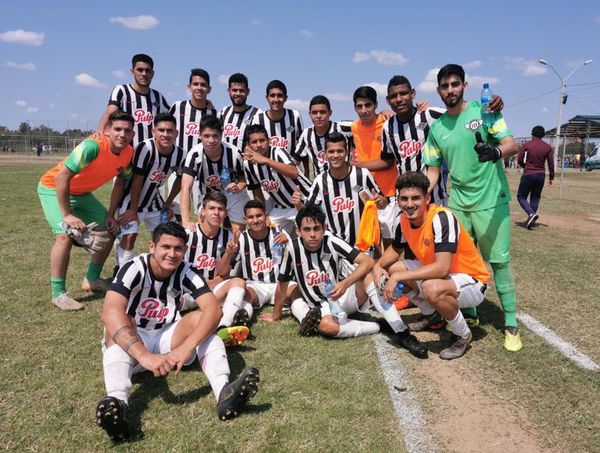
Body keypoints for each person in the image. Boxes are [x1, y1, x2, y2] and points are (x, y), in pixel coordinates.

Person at [96, 222, 259, 442]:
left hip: (166, 334)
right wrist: (144, 356)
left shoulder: (186, 269)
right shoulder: (134, 267)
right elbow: (110, 313)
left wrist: (186, 347)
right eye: (166, 247)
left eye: (178, 248)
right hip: (135, 342)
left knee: (205, 324)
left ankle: (224, 394)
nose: (172, 254)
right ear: (152, 247)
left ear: (184, 250)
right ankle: (117, 407)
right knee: (116, 325)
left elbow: (213, 310)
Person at [423, 64, 521, 352]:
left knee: (499, 262)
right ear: (438, 90)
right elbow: (432, 172)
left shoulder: (484, 111)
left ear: (464, 86)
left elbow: (511, 143)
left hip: (492, 201)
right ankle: (472, 314)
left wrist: (496, 153)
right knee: (461, 264)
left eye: (455, 84)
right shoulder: (437, 128)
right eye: (444, 86)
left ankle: (512, 324)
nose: (450, 90)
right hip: (459, 204)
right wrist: (418, 194)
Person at [376, 172, 491, 359]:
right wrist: (377, 266)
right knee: (394, 268)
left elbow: (442, 268)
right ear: (397, 199)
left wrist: (396, 277)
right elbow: (395, 250)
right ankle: (432, 316)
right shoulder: (403, 220)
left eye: (416, 198)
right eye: (404, 198)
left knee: (430, 287)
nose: (410, 204)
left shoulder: (441, 217)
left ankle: (462, 334)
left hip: (473, 281)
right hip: (443, 277)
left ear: (427, 198)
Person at [38, 111, 136, 311]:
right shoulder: (92, 147)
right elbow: (61, 178)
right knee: (64, 236)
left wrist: (110, 214)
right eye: (117, 129)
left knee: (109, 230)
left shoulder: (128, 154)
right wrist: (67, 215)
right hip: (52, 188)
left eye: (127, 131)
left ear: (132, 134)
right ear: (107, 130)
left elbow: (120, 183)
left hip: (82, 194)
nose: (122, 134)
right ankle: (58, 294)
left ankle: (92, 279)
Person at [113, 113, 186, 268]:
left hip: (154, 201)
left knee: (169, 236)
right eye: (161, 130)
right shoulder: (145, 148)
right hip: (131, 199)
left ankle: (163, 272)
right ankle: (122, 273)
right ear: (154, 132)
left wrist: (167, 203)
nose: (165, 134)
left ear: (176, 133)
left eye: (169, 130)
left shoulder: (180, 154)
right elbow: (137, 180)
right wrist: (133, 210)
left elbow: (180, 179)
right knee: (130, 236)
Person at [293, 132, 387, 248]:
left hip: (363, 245)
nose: (335, 155)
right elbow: (308, 215)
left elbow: (382, 202)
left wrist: (382, 201)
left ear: (346, 153)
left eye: (340, 151)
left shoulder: (362, 175)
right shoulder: (320, 181)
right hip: (334, 247)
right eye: (331, 151)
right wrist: (298, 204)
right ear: (325, 154)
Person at [183, 192, 253, 344]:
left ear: (226, 213)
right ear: (202, 211)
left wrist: (228, 253)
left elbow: (223, 273)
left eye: (220, 209)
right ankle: (235, 317)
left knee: (240, 283)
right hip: (186, 291)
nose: (216, 213)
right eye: (211, 208)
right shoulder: (188, 235)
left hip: (211, 289)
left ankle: (223, 326)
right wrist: (200, 287)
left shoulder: (228, 237)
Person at [350, 86, 399, 247]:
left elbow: (387, 162)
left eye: (368, 105)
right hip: (367, 195)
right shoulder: (354, 128)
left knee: (392, 245)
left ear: (376, 105)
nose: (364, 110)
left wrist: (356, 165)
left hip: (389, 194)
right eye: (359, 106)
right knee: (372, 243)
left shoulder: (387, 122)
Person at [180, 115, 247, 234]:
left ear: (221, 134)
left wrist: (238, 186)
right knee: (206, 233)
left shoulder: (234, 153)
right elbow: (186, 187)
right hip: (208, 196)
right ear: (199, 135)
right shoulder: (194, 154)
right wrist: (186, 220)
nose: (211, 140)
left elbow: (244, 179)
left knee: (237, 235)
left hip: (233, 196)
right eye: (206, 136)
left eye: (215, 135)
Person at [242, 124, 311, 233]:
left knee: (307, 237)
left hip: (304, 202)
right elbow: (257, 192)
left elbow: (294, 172)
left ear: (268, 141)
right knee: (267, 234)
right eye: (254, 142)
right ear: (248, 145)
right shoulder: (248, 164)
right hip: (281, 208)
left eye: (262, 140)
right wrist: (262, 213)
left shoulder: (278, 152)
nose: (259, 145)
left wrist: (265, 160)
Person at [168, 69, 217, 217]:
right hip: (178, 169)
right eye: (195, 84)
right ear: (189, 87)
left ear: (209, 89)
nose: (199, 88)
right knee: (176, 211)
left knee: (202, 213)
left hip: (203, 170)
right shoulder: (178, 107)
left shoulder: (213, 113)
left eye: (203, 85)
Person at [235, 200, 298, 309]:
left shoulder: (279, 233)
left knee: (296, 292)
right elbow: (229, 267)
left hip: (280, 284)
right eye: (251, 217)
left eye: (259, 216)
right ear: (246, 220)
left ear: (266, 216)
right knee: (246, 295)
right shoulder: (241, 238)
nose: (255, 220)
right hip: (254, 285)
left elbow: (298, 258)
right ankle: (242, 315)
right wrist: (228, 252)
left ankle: (305, 316)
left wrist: (288, 243)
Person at [97, 54, 170, 148]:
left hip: (150, 154)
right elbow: (110, 112)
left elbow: (172, 117)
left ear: (152, 74)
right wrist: (99, 135)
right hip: (125, 152)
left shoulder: (158, 96)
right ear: (132, 72)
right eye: (140, 70)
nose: (144, 74)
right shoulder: (122, 91)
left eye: (147, 71)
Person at [291, 95, 353, 178]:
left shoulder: (342, 127)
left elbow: (363, 127)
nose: (318, 116)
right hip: (323, 183)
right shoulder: (307, 134)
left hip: (346, 179)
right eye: (314, 112)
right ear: (310, 114)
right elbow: (295, 160)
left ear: (330, 113)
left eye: (322, 112)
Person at [251, 80, 303, 155]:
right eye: (272, 95)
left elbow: (303, 143)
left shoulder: (294, 116)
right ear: (267, 98)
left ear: (285, 98)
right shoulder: (257, 119)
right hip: (266, 165)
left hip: (290, 165)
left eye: (280, 95)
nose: (276, 99)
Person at [517, 125, 554, 229]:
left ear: (532, 133)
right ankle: (531, 221)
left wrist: (524, 166)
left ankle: (530, 214)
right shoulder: (547, 147)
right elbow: (551, 163)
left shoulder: (527, 145)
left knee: (521, 196)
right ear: (543, 135)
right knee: (535, 197)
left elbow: (519, 159)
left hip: (528, 173)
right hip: (541, 174)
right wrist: (551, 176)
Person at [219, 73, 260, 150]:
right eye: (234, 90)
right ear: (229, 91)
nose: (238, 94)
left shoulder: (257, 114)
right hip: (226, 161)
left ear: (248, 92)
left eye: (241, 90)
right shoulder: (224, 112)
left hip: (247, 161)